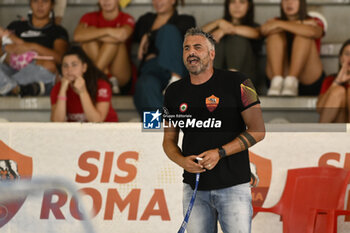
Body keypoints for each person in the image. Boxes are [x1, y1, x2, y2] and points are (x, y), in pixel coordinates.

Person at [162, 28, 265, 233]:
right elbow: (168, 140)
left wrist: (220, 153)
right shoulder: (172, 92)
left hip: (234, 186)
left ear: (212, 53)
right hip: (194, 188)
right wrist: (181, 161)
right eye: (186, 48)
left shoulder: (241, 82)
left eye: (197, 47)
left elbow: (258, 131)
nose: (191, 52)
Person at [133, 0, 195, 116]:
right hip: (152, 68)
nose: (158, 2)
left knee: (168, 30)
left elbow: (185, 36)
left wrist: (149, 35)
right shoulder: (145, 20)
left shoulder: (185, 19)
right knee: (145, 84)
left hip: (177, 67)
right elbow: (133, 38)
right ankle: (161, 125)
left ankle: (174, 83)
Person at [0, 0, 69, 96]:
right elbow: (3, 49)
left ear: (52, 5)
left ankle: (9, 87)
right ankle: (14, 88)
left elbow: (61, 59)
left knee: (49, 66)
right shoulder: (16, 25)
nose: (40, 6)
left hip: (35, 71)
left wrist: (33, 47)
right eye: (35, 1)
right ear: (30, 4)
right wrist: (6, 49)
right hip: (11, 69)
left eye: (45, 1)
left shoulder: (57, 31)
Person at [261, 0, 325, 96]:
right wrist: (301, 23)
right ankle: (277, 81)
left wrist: (279, 24)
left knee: (303, 35)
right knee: (274, 35)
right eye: (285, 0)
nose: (289, 3)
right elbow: (263, 30)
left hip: (308, 77)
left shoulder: (313, 20)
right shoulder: (276, 20)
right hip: (281, 76)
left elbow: (314, 32)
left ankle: (291, 81)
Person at [73, 0, 135, 94]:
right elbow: (77, 36)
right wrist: (109, 31)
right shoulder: (89, 17)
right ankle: (105, 75)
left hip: (120, 78)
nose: (106, 1)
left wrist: (94, 32)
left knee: (113, 43)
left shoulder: (126, 18)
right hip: (105, 79)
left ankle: (92, 77)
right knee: (89, 42)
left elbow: (122, 35)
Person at [50, 46, 118, 122]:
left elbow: (97, 121)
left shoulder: (101, 85)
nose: (69, 70)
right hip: (78, 132)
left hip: (106, 130)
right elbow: (57, 122)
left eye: (74, 65)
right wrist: (62, 91)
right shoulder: (57, 88)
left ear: (84, 67)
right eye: (65, 65)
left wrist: (83, 92)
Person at [202, 0, 261, 83]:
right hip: (218, 76)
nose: (237, 6)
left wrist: (226, 30)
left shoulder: (254, 27)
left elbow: (257, 33)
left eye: (242, 2)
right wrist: (218, 22)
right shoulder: (219, 27)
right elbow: (197, 35)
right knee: (215, 41)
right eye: (233, 2)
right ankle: (212, 81)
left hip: (244, 80)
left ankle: (231, 81)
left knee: (237, 39)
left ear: (249, 6)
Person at [317, 39, 350, 123]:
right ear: (340, 58)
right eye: (347, 54)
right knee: (339, 91)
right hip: (338, 127)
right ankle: (320, 134)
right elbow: (319, 109)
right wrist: (337, 81)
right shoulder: (330, 80)